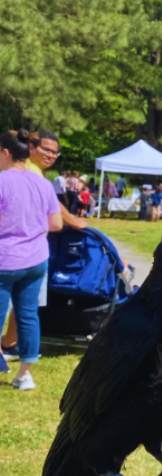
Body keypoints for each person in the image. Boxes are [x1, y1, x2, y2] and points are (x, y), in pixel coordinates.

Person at [0, 130, 63, 389]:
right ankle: (24, 374)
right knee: (28, 315)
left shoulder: (2, 181)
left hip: (5, 259)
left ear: (5, 152)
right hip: (36, 259)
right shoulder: (43, 184)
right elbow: (56, 223)